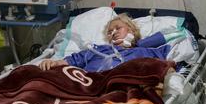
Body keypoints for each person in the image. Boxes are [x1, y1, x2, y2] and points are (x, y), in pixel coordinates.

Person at [37, 14, 171, 73]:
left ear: (131, 30)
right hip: (90, 86)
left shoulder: (144, 51)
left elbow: (168, 64)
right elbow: (72, 60)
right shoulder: (97, 50)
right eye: (110, 32)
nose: (113, 33)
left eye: (118, 28)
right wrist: (53, 63)